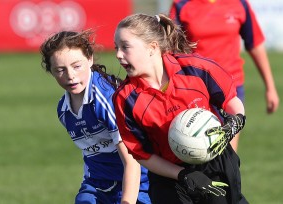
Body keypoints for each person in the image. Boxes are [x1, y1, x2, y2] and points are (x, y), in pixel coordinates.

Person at [113, 13, 248, 204]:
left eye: (125, 47)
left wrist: (236, 121)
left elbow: (230, 101)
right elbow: (142, 154)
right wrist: (182, 175)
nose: (118, 54)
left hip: (215, 165)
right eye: (116, 48)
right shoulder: (125, 99)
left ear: (152, 47)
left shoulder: (195, 68)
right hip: (169, 177)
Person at [40, 30, 150, 204]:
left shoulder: (106, 100)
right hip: (97, 185)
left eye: (77, 66)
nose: (70, 75)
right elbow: (92, 154)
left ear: (90, 59)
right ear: (51, 72)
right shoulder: (63, 110)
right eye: (60, 70)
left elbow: (132, 162)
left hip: (135, 183)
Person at [169, 0, 280, 152]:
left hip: (231, 90)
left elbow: (254, 43)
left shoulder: (240, 3)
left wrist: (270, 87)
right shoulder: (182, 4)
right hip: (194, 89)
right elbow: (170, 48)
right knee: (197, 151)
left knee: (227, 155)